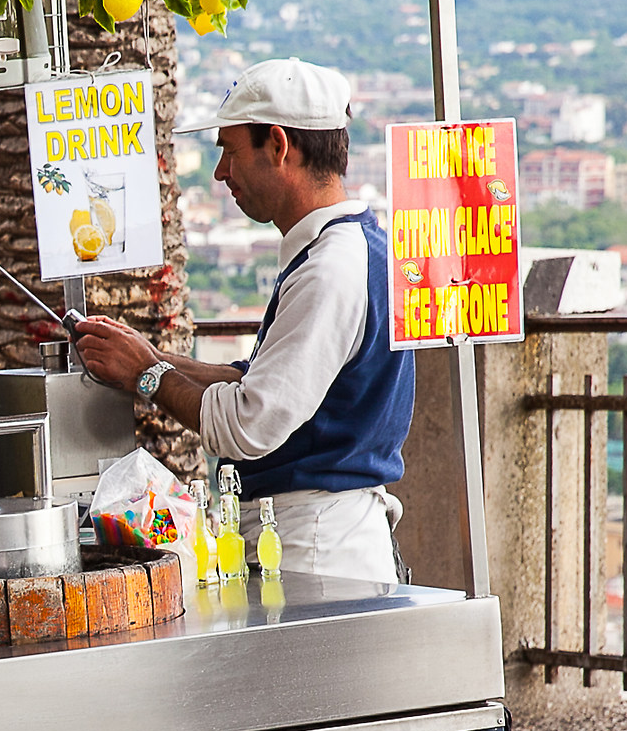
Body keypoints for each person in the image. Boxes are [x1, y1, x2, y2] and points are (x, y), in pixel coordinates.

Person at [72, 58, 414, 581]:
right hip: (323, 536)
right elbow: (261, 382)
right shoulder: (353, 246)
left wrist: (148, 375)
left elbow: (248, 423)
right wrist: (155, 358)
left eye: (230, 151)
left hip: (317, 547)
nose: (221, 172)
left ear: (278, 145)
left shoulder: (330, 269)